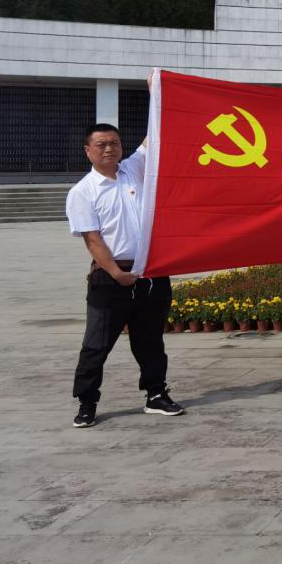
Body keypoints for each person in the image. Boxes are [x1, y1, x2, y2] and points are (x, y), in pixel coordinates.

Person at [66, 114, 184, 428]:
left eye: (114, 143)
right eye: (101, 144)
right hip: (110, 278)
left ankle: (156, 394)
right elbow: (93, 240)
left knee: (150, 340)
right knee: (97, 344)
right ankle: (87, 402)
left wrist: (157, 94)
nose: (109, 149)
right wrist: (117, 274)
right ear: (87, 150)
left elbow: (153, 135)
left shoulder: (134, 169)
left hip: (150, 273)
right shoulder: (83, 191)